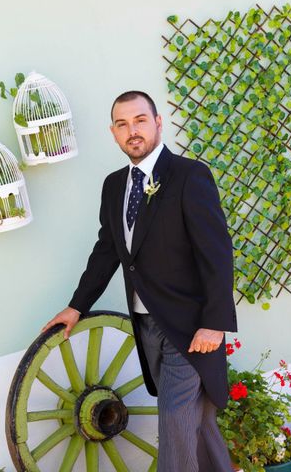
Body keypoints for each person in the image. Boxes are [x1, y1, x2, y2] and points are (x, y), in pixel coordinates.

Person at [42, 90, 237, 471]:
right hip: (146, 325)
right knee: (198, 424)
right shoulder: (114, 186)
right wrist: (77, 306)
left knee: (177, 422)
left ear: (158, 123)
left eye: (140, 120)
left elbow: (217, 253)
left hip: (189, 327)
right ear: (113, 132)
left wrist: (215, 323)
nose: (132, 131)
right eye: (122, 124)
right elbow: (107, 252)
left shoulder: (189, 176)